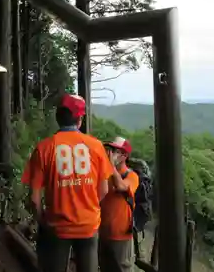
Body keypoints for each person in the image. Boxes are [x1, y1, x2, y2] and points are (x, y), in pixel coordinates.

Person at [21, 94, 113, 272]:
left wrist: (42, 219)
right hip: (88, 224)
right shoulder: (96, 146)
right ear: (79, 119)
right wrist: (88, 207)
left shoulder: (44, 148)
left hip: (57, 226)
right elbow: (103, 190)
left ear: (58, 118)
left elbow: (34, 198)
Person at [99, 137, 139, 272]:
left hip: (121, 235)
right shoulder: (105, 174)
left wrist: (110, 166)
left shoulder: (132, 176)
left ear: (124, 156)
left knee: (122, 268)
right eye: (110, 150)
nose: (111, 153)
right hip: (103, 233)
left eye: (115, 151)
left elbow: (121, 186)